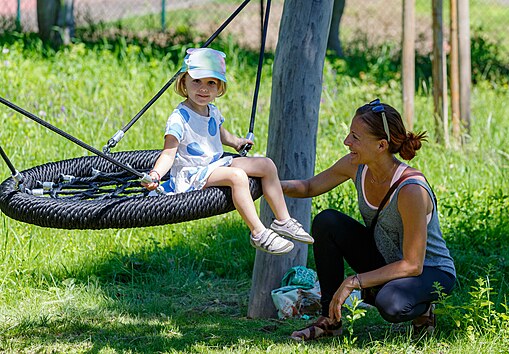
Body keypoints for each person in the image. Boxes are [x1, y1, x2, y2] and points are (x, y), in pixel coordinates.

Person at [282, 99, 456, 341]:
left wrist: (355, 281)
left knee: (390, 303)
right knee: (327, 221)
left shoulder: (411, 189)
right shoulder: (356, 166)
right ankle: (330, 320)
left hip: (428, 270)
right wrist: (265, 185)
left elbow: (413, 264)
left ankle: (423, 308)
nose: (346, 142)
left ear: (381, 145)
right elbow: (309, 186)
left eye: (355, 137)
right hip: (389, 259)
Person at [142, 48, 313, 255]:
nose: (203, 89)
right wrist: (155, 174)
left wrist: (236, 143)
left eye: (211, 83)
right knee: (237, 176)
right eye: (197, 81)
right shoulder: (179, 118)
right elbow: (169, 153)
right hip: (192, 174)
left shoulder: (212, 110)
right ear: (183, 82)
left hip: (214, 164)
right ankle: (259, 233)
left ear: (219, 87)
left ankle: (283, 220)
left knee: (266, 164)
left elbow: (220, 134)